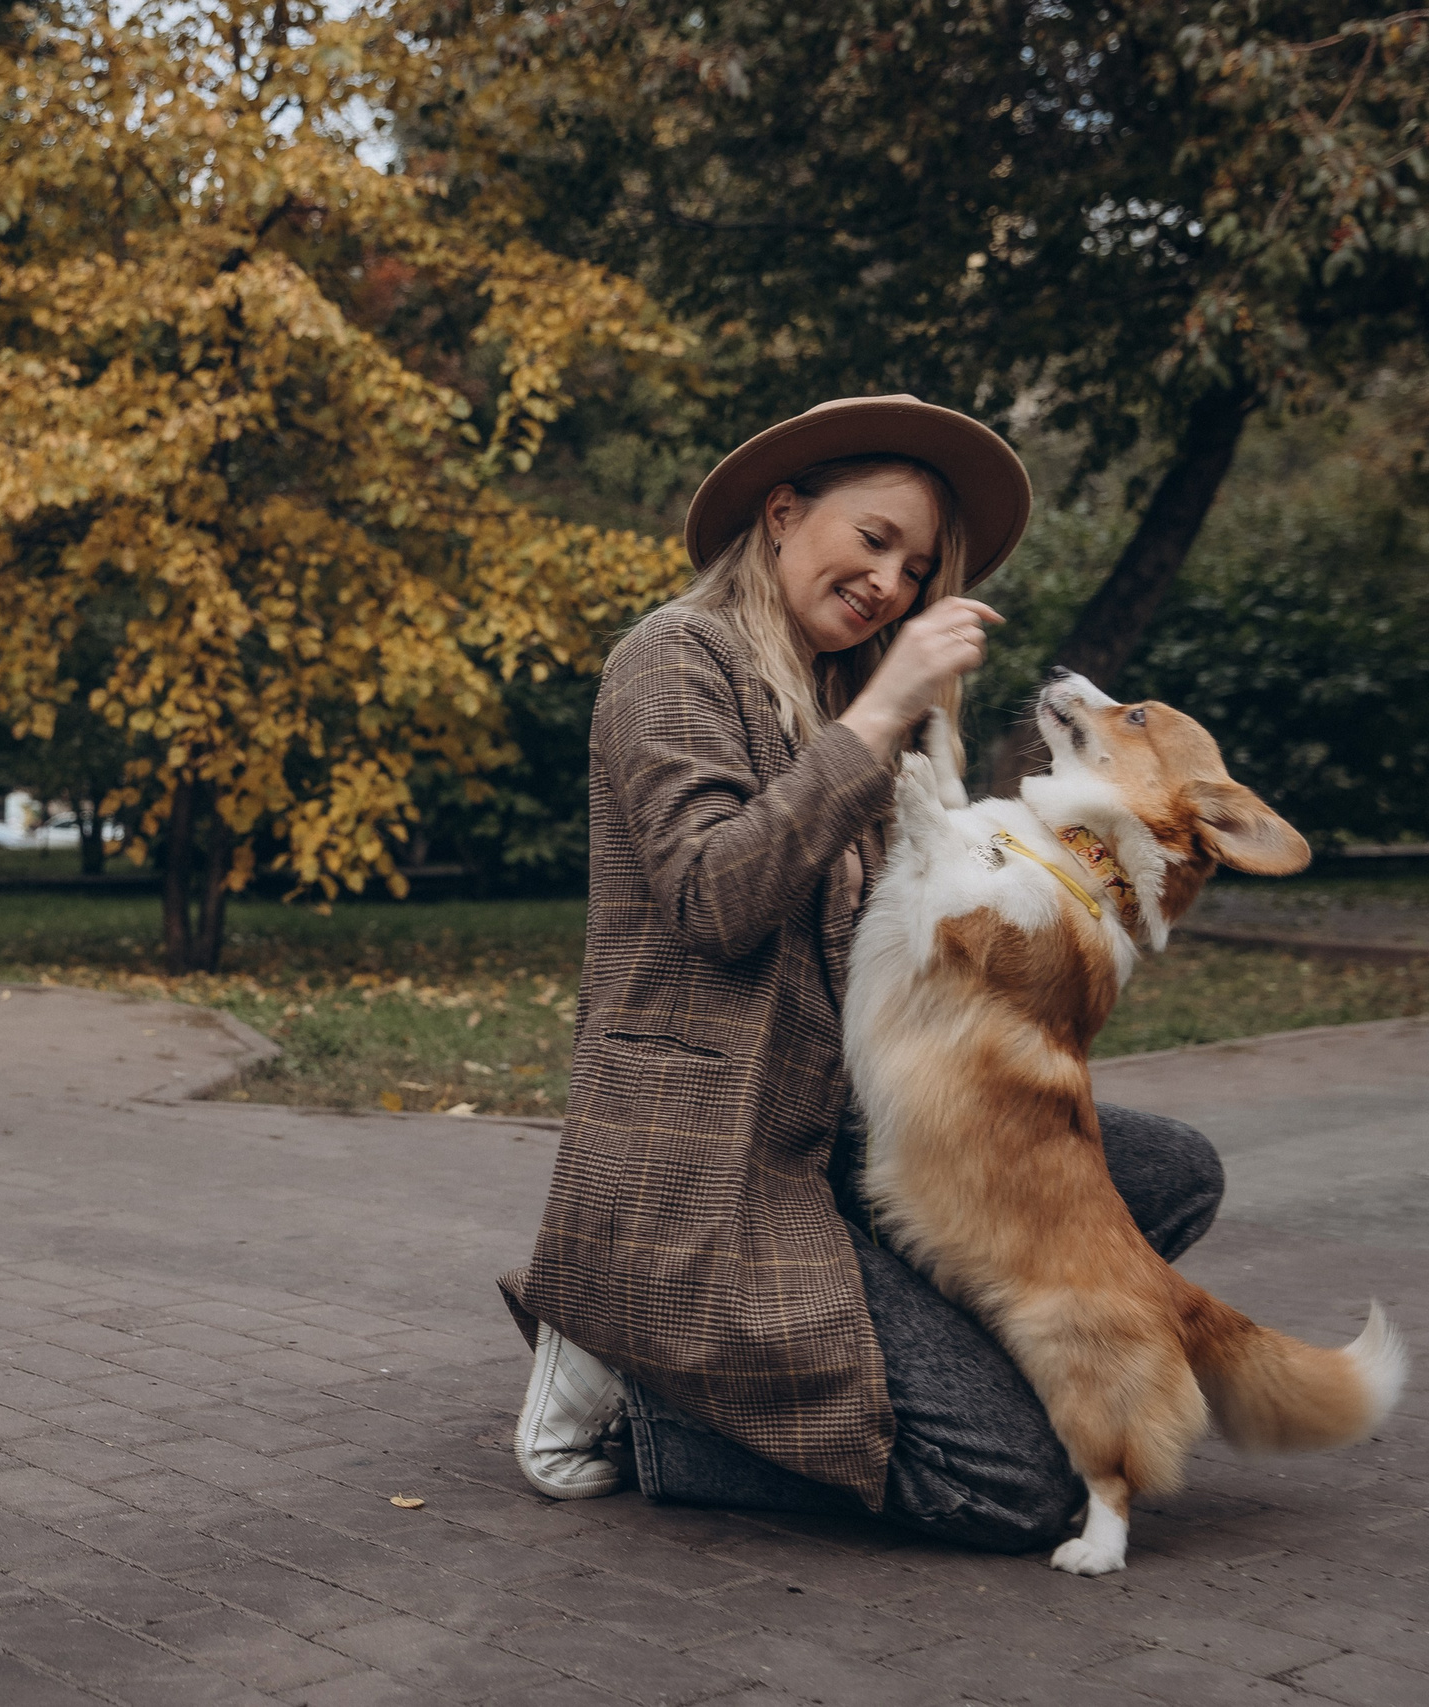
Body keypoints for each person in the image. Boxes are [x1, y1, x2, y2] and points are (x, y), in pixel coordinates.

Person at [500, 396, 1226, 1550]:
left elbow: (903, 944)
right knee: (1015, 1486)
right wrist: (887, 711)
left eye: (917, 568)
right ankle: (635, 1381)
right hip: (716, 1157)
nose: (891, 582)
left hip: (848, 1135)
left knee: (1171, 1173)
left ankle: (905, 1367)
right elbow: (714, 900)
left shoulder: (845, 700)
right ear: (783, 514)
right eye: (874, 539)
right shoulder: (671, 658)